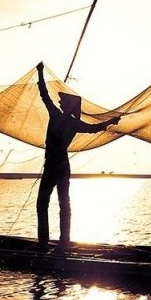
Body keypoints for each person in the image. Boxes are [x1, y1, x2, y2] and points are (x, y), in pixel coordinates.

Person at [34, 61, 120, 247]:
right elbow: (95, 128)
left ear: (66, 106)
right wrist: (111, 121)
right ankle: (64, 241)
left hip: (52, 166)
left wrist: (40, 72)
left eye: (62, 102)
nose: (59, 102)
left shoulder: (56, 115)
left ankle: (43, 242)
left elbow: (44, 94)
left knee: (43, 203)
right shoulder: (73, 123)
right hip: (63, 166)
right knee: (64, 204)